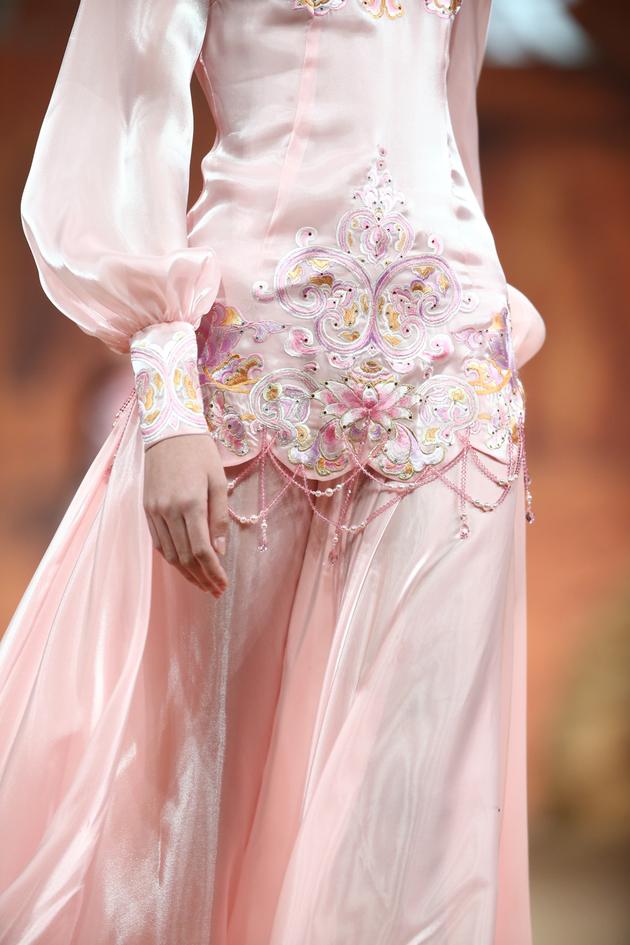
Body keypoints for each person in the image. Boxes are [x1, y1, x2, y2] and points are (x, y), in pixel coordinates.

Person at [0, 0, 546, 942]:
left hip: (451, 385)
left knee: (411, 814)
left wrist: (487, 334)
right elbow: (113, 117)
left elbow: (450, 121)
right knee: (194, 801)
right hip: (252, 369)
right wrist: (169, 396)